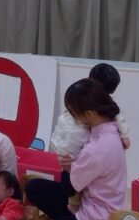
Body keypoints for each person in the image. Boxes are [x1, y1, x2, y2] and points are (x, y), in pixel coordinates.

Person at [22, 78, 127, 220]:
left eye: (74, 113)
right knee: (35, 187)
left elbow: (69, 187)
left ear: (88, 114)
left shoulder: (98, 147)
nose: (72, 118)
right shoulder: (110, 131)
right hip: (91, 202)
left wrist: (67, 167)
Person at [51, 65, 130, 212]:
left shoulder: (100, 139)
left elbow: (118, 117)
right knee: (72, 177)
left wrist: (124, 135)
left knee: (74, 181)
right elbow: (119, 119)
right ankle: (73, 205)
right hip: (73, 147)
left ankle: (73, 206)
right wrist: (124, 136)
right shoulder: (82, 97)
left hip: (76, 149)